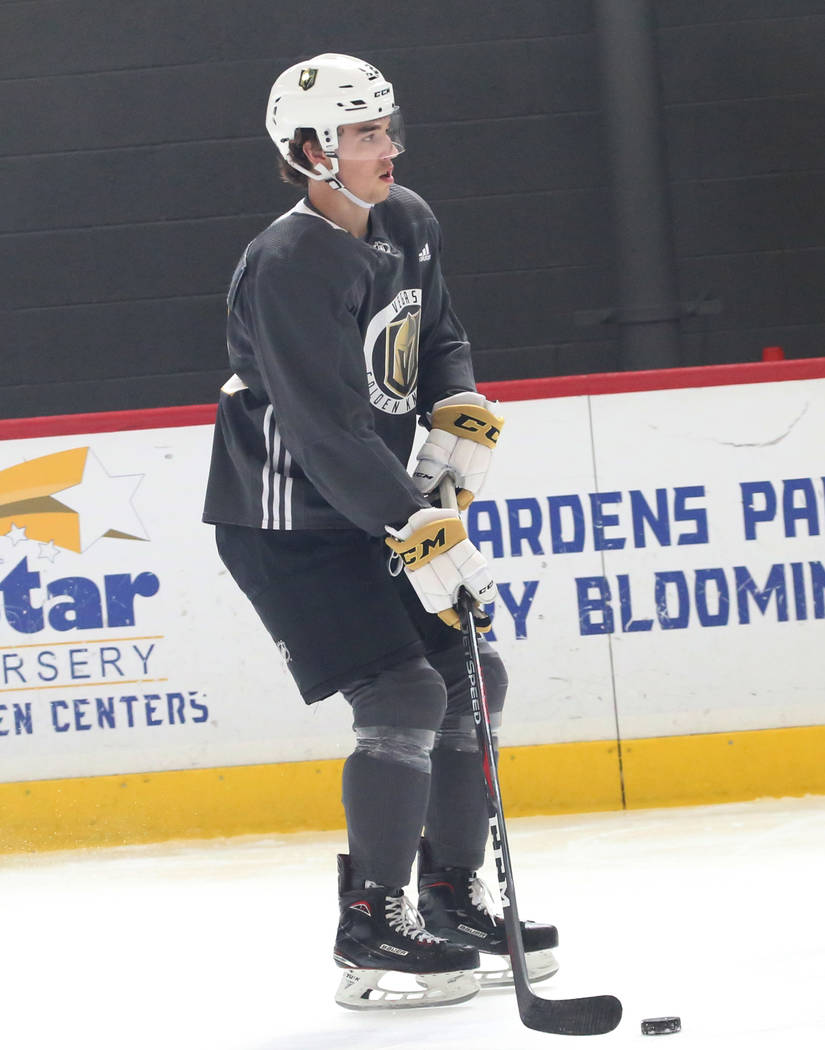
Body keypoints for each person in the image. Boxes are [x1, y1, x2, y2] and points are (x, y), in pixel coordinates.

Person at [203, 53, 557, 1009]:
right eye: (363, 136)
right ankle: (369, 930)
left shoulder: (407, 221)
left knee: (469, 676)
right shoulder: (286, 263)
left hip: (369, 502)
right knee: (401, 689)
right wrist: (418, 525)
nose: (386, 150)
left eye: (386, 129)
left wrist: (458, 402)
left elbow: (435, 331)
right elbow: (323, 431)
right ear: (310, 152)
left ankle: (450, 897)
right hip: (288, 520)